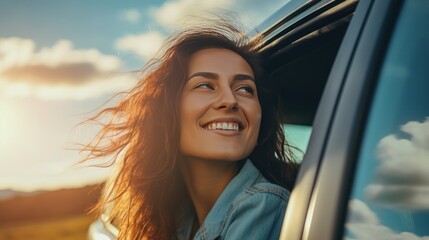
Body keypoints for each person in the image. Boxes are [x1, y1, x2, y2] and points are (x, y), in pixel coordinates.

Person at [82, 20, 299, 240]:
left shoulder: (263, 205)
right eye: (205, 85)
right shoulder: (173, 213)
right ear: (168, 111)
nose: (230, 100)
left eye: (245, 89)